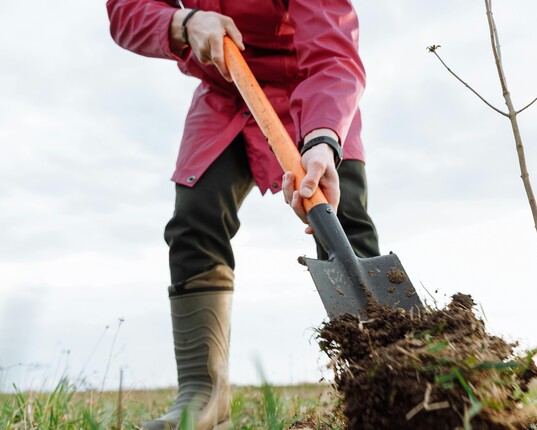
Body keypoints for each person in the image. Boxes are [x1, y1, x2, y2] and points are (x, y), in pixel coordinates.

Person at [106, 1, 379, 428]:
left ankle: (378, 381)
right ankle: (203, 395)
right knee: (195, 218)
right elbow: (126, 12)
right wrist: (183, 22)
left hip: (309, 90)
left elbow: (332, 52)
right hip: (225, 91)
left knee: (343, 223)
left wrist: (324, 138)